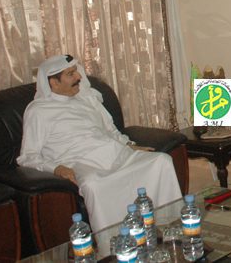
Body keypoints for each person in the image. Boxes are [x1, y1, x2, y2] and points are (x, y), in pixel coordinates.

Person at [18, 54, 182, 232]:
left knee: (161, 161)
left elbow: (110, 129)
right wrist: (56, 168)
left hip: (113, 152)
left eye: (76, 71)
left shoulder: (87, 98)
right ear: (54, 83)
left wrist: (128, 145)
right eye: (71, 74)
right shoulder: (38, 111)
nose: (79, 77)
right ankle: (113, 240)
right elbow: (28, 156)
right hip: (80, 163)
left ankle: (169, 225)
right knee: (93, 185)